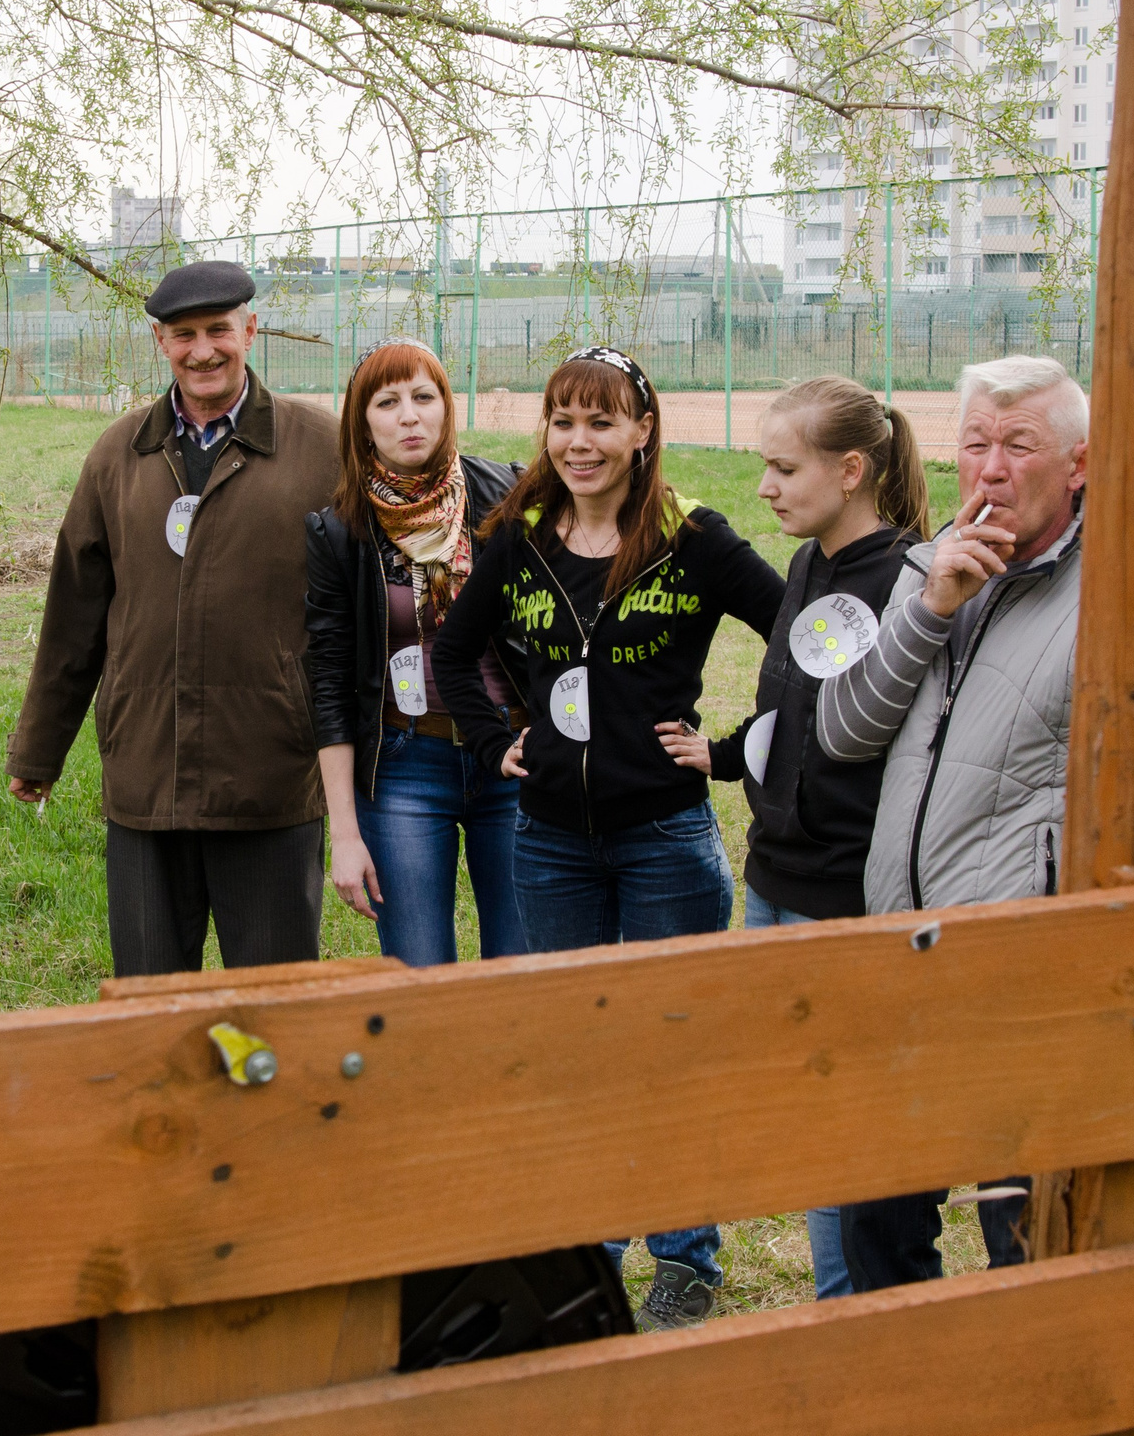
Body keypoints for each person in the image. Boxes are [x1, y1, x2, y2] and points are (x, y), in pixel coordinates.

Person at [431, 345, 786, 1330]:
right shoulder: (516, 537)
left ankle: (683, 1257)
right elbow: (453, 656)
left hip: (663, 839)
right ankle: (587, 1246)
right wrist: (500, 738)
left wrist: (722, 755)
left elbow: (800, 635)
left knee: (665, 1046)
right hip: (547, 843)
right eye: (562, 420)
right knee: (578, 1051)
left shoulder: (694, 538)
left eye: (600, 421)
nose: (578, 441)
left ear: (641, 431)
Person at [813, 353, 1089, 1292]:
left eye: (1021, 445)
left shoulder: (1107, 593)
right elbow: (843, 729)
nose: (993, 469)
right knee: (878, 1220)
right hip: (903, 945)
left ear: (1079, 465)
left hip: (1022, 967)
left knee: (1024, 1231)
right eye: (976, 444)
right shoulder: (927, 568)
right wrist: (931, 608)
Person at [662, 374, 930, 1302]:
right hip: (771, 874)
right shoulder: (812, 564)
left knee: (837, 1128)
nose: (767, 488)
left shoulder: (910, 582)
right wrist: (726, 755)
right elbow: (794, 703)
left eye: (785, 468)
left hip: (843, 893)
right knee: (789, 1105)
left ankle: (846, 1316)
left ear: (851, 469)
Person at [6, 260, 338, 977]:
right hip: (146, 775)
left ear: (250, 330)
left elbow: (364, 606)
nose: (203, 351)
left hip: (270, 778)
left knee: (274, 1001)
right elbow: (74, 612)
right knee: (154, 1006)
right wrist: (38, 749)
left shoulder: (321, 450)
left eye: (219, 330)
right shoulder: (120, 455)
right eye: (183, 335)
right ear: (161, 343)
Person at [303, 339, 528, 966]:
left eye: (424, 397)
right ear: (362, 421)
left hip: (514, 757)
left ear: (446, 408)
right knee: (419, 976)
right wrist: (344, 834)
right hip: (405, 765)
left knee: (523, 970)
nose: (409, 416)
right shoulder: (339, 532)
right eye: (388, 401)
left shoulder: (508, 496)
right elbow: (329, 685)